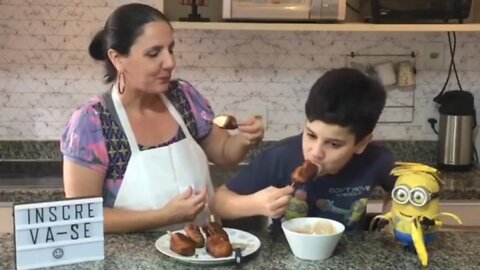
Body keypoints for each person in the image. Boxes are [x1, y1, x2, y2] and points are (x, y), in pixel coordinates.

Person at [60, 3, 264, 233]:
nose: (170, 62)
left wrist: (245, 139)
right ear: (118, 59)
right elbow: (83, 217)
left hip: (202, 252)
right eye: (154, 53)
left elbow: (224, 152)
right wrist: (164, 217)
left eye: (171, 49)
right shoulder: (93, 123)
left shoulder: (183, 97)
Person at [212, 68, 396, 231]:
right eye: (311, 135)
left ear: (361, 143)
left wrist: (389, 222)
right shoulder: (280, 157)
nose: (315, 152)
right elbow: (219, 202)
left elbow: (407, 192)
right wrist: (255, 204)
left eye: (333, 144)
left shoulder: (377, 160)